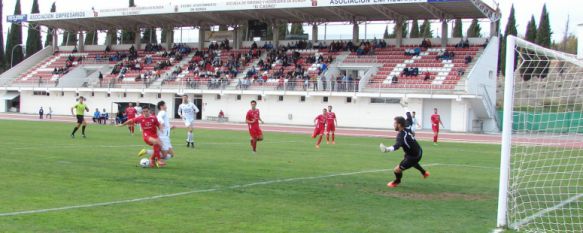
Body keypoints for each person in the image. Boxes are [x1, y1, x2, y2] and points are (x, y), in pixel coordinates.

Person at [379, 116, 430, 188]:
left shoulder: (401, 136)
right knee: (411, 162)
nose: (393, 124)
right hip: (418, 151)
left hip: (413, 157)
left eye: (395, 123)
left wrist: (387, 149)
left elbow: (396, 146)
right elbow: (409, 117)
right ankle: (424, 173)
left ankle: (396, 182)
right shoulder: (407, 126)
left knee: (397, 170)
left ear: (399, 125)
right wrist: (405, 107)